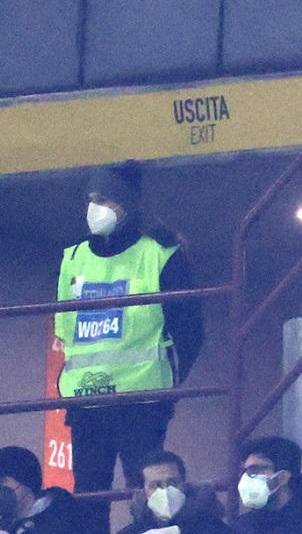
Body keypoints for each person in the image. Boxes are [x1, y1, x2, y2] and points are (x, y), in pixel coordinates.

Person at [54, 163, 203, 499]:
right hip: (86, 402)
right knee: (89, 497)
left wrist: (170, 384)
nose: (95, 208)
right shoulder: (72, 259)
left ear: (127, 205)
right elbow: (65, 330)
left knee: (147, 495)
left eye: (105, 200)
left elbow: (190, 330)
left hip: (142, 402)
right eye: (91, 199)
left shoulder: (160, 254)